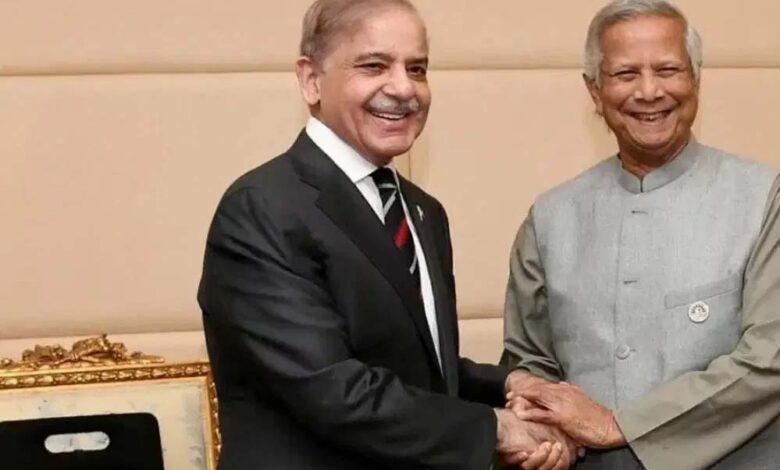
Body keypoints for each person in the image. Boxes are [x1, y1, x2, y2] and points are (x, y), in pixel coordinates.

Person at [198, 0, 575, 468]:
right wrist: (497, 428)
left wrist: (512, 385)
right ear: (311, 80)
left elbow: (417, 369)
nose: (403, 88)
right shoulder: (262, 208)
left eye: (417, 69)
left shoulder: (422, 211)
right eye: (374, 66)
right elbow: (333, 389)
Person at [502, 0, 780, 468]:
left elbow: (770, 358)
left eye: (668, 70)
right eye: (625, 74)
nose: (649, 91)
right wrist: (541, 426)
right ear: (594, 91)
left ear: (695, 79)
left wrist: (620, 426)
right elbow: (529, 362)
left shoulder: (765, 197)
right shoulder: (550, 216)